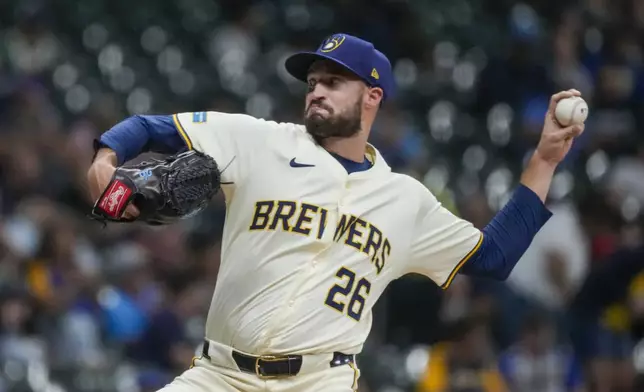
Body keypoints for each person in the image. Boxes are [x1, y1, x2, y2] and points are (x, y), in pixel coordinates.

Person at [86, 33, 585, 392]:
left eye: (332, 82)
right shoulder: (260, 140)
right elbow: (148, 127)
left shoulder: (405, 200)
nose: (316, 91)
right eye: (313, 82)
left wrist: (543, 160)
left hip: (320, 380)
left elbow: (494, 256)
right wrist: (106, 162)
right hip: (219, 376)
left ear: (372, 98)